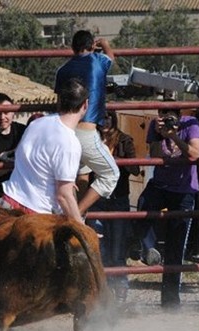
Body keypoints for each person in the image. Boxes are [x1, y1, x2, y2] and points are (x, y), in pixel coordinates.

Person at [133, 107, 199, 307]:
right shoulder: (156, 126)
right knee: (143, 205)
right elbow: (154, 156)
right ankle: (149, 248)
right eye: (163, 114)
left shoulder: (190, 124)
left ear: (180, 116)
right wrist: (160, 134)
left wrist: (175, 136)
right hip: (161, 184)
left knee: (176, 244)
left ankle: (170, 300)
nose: (166, 119)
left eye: (171, 116)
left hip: (184, 188)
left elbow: (196, 154)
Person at [0, 77, 89, 220]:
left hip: (7, 203)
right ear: (85, 105)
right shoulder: (70, 143)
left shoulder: (36, 124)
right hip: (35, 215)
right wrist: (82, 228)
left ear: (59, 102)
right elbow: (63, 196)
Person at [54, 30, 120, 215]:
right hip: (86, 131)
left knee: (82, 172)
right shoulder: (97, 61)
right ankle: (76, 216)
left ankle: (76, 219)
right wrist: (105, 43)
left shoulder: (63, 69)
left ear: (72, 48)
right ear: (92, 46)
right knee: (111, 174)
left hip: (65, 131)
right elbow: (111, 58)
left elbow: (59, 102)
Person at [86, 110, 140, 304]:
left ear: (115, 119)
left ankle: (121, 292)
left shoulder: (124, 140)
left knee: (118, 248)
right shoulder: (91, 140)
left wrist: (113, 161)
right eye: (103, 116)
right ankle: (104, 293)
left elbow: (135, 169)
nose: (106, 120)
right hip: (97, 198)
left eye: (109, 116)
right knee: (99, 247)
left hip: (118, 198)